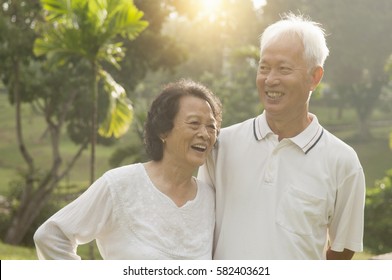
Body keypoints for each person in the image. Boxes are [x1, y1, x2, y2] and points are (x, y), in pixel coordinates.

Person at [198, 13, 366, 260]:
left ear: (314, 77)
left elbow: (343, 247)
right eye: (264, 68)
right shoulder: (221, 145)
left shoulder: (343, 162)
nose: (270, 79)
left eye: (284, 69)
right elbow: (198, 228)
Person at [34, 79, 222, 260]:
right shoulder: (120, 184)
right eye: (194, 123)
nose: (205, 134)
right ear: (163, 131)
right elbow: (50, 236)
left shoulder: (211, 200)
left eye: (211, 127)